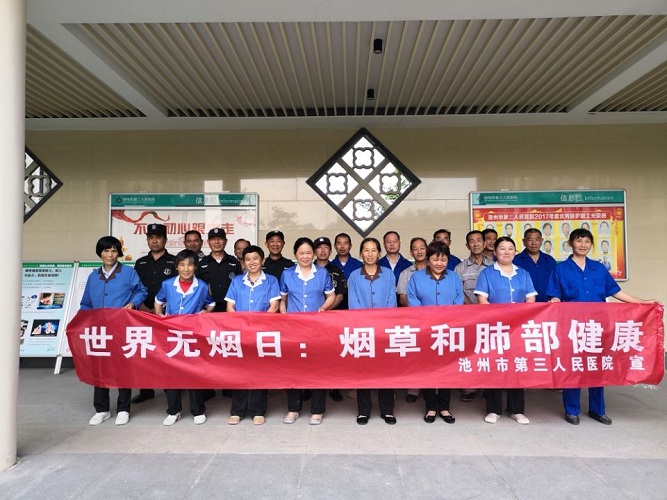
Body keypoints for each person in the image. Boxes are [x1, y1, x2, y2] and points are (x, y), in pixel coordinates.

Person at [546, 228, 657, 426]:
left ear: (591, 245)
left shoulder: (598, 268)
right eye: (579, 241)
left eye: (587, 242)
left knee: (597, 367)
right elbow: (555, 295)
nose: (583, 245)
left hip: (598, 328)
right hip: (572, 328)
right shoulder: (560, 269)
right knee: (573, 367)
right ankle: (572, 410)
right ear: (570, 244)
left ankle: (597, 410)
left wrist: (643, 303)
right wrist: (554, 300)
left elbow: (616, 292)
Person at [80, 236, 147, 426]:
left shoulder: (128, 272)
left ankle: (123, 409)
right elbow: (86, 303)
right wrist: (82, 323)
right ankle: (101, 409)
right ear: (100, 253)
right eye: (106, 250)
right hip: (99, 331)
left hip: (121, 328)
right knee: (100, 368)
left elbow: (141, 291)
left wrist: (133, 303)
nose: (110, 254)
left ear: (119, 253)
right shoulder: (93, 276)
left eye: (114, 250)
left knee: (122, 368)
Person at [474, 236, 537, 425]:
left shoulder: (523, 274)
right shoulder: (487, 273)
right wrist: (500, 318)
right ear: (495, 252)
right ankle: (493, 409)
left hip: (518, 328)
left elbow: (530, 300)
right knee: (495, 366)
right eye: (502, 248)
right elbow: (482, 300)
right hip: (495, 328)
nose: (506, 252)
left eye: (510, 248)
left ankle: (516, 410)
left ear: (515, 252)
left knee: (516, 365)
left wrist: (518, 318)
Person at [154, 250, 215, 425]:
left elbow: (211, 303)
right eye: (182, 265)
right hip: (171, 335)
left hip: (192, 336)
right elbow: (158, 301)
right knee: (172, 373)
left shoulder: (202, 286)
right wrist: (159, 315)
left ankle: (198, 410)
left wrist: (205, 313)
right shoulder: (167, 284)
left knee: (194, 373)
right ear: (176, 267)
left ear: (195, 267)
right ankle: (174, 411)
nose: (186, 268)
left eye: (190, 264)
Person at [280, 237, 336, 425]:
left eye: (308, 253)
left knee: (317, 368)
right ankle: (293, 409)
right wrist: (283, 315)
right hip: (293, 329)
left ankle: (317, 411)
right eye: (301, 253)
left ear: (313, 254)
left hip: (316, 329)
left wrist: (323, 308)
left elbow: (331, 295)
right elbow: (283, 299)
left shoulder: (322, 273)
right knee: (294, 369)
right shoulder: (287, 274)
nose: (305, 256)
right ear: (295, 254)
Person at [407, 241, 463, 424]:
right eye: (435, 259)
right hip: (425, 330)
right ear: (428, 259)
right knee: (428, 369)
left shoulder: (454, 277)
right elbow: (413, 300)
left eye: (443, 259)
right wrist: (427, 320)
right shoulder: (416, 277)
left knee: (447, 369)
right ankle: (430, 407)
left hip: (448, 331)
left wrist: (448, 320)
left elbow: (459, 300)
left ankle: (445, 407)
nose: (439, 263)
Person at [225, 245, 281, 425]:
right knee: (238, 371)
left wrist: (258, 326)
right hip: (240, 333)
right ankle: (237, 410)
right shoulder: (237, 281)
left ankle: (258, 410)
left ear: (262, 260)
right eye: (248, 259)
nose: (252, 262)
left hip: (261, 333)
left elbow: (274, 306)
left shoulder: (271, 280)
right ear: (243, 262)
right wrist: (240, 326)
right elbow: (230, 307)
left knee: (258, 371)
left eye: (255, 258)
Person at [347, 237, 398, 425]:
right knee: (363, 371)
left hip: (385, 330)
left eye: (373, 250)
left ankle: (387, 410)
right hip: (362, 331)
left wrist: (383, 325)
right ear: (361, 253)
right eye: (366, 250)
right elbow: (354, 304)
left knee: (386, 371)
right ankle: (363, 411)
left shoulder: (388, 274)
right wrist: (367, 325)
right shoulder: (354, 276)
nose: (370, 254)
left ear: (379, 253)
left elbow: (391, 302)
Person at [131, 223, 176, 404]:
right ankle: (146, 389)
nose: (155, 241)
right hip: (143, 313)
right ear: (147, 240)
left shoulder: (174, 261)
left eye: (158, 237)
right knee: (145, 351)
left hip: (166, 314)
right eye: (151, 238)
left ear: (165, 240)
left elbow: (177, 288)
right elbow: (135, 288)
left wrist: (161, 310)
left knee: (168, 351)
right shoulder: (140, 263)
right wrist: (143, 308)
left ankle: (169, 386)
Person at [454, 230, 494, 403]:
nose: (476, 244)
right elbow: (457, 292)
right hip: (467, 317)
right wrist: (472, 310)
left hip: (491, 317)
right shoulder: (460, 268)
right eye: (472, 241)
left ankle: (488, 385)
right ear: (467, 245)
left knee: (489, 351)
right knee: (468, 351)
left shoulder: (495, 265)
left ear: (484, 243)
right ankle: (469, 387)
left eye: (479, 240)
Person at [313, 236, 348, 402]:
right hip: (311, 320)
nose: (323, 251)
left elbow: (340, 294)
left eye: (326, 248)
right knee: (313, 354)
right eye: (319, 248)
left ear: (330, 250)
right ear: (314, 251)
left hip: (332, 319)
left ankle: (334, 387)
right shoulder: (307, 268)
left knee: (333, 353)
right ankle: (310, 387)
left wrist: (326, 310)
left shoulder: (336, 270)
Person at [396, 237, 428, 403]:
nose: (419, 251)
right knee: (415, 355)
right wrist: (419, 309)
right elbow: (402, 298)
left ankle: (435, 387)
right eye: (415, 248)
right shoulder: (405, 273)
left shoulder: (437, 269)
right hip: (413, 320)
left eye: (422, 247)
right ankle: (414, 388)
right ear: (410, 252)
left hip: (435, 320)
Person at [196, 227, 241, 313]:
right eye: (213, 239)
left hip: (230, 310)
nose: (217, 242)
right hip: (208, 310)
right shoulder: (201, 264)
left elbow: (240, 286)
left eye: (220, 239)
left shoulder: (234, 263)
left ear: (225, 241)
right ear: (208, 242)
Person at [513, 228, 557, 302]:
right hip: (524, 304)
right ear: (524, 242)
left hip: (548, 303)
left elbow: (556, 282)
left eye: (537, 239)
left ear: (541, 241)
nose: (534, 243)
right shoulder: (516, 261)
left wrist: (555, 297)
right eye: (530, 240)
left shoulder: (549, 260)